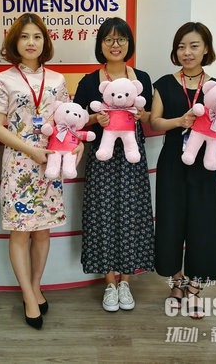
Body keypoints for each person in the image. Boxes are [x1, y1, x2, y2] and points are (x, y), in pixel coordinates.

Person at [0, 13, 76, 330]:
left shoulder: (58, 81)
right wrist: (30, 149)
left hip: (50, 164)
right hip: (20, 164)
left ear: (45, 42)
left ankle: (36, 285)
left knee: (43, 231)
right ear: (14, 42)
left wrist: (75, 144)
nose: (31, 42)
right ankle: (27, 295)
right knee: (20, 231)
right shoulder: (3, 80)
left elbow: (66, 121)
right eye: (24, 36)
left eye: (37, 36)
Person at [73, 17, 155, 312]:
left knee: (132, 216)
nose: (115, 44)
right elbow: (75, 118)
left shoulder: (142, 78)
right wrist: (96, 118)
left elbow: (150, 116)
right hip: (102, 159)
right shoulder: (89, 81)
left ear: (129, 43)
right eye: (109, 39)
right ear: (101, 45)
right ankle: (109, 283)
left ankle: (125, 281)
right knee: (102, 216)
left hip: (132, 158)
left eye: (121, 39)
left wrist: (143, 116)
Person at [149, 22, 216, 319]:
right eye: (181, 46)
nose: (187, 52)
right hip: (172, 162)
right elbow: (154, 121)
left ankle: (195, 288)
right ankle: (177, 284)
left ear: (206, 49)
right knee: (171, 223)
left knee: (203, 224)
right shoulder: (165, 84)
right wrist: (179, 122)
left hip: (205, 165)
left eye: (194, 46)